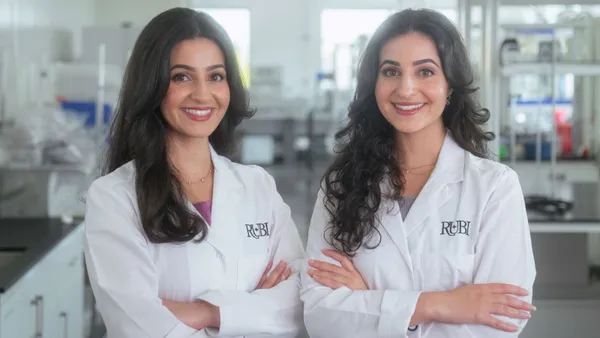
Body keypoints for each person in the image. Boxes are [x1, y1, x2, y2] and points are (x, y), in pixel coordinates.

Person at [301, 8, 536, 338]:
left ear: (450, 85)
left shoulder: (494, 187)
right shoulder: (343, 186)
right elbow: (321, 315)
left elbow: (501, 322)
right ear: (375, 84)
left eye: (425, 72)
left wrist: (368, 301)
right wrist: (438, 305)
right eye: (391, 71)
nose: (406, 89)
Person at [83, 8, 305, 338]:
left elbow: (299, 302)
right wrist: (251, 311)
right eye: (181, 77)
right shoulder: (114, 198)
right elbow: (139, 327)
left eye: (215, 76)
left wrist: (205, 312)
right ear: (152, 86)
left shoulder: (257, 185)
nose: (202, 94)